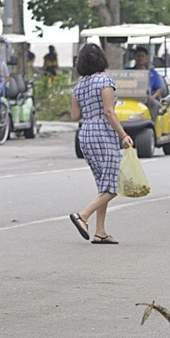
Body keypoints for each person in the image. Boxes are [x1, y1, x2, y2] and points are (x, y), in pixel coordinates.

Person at [68, 42, 132, 245]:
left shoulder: (78, 86)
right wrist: (123, 135)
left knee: (103, 185)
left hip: (85, 135)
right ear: (101, 60)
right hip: (103, 134)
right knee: (113, 185)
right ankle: (83, 215)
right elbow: (109, 111)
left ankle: (100, 232)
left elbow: (74, 116)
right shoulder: (105, 81)